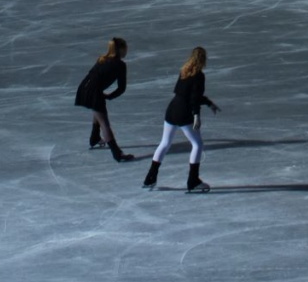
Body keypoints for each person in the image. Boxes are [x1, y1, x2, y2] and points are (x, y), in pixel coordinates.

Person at [142, 47, 218, 193]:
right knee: (197, 144)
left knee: (165, 143)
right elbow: (194, 99)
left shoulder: (184, 71)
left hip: (172, 109)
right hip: (184, 113)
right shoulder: (199, 76)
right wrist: (197, 115)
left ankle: (150, 178)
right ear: (203, 60)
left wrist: (209, 103)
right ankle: (193, 180)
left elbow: (186, 94)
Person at [74, 37, 135, 159]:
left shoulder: (102, 59)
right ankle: (117, 154)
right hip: (94, 92)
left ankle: (95, 137)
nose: (127, 51)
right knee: (104, 123)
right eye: (125, 48)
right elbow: (121, 88)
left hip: (83, 88)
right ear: (120, 49)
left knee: (98, 110)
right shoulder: (120, 65)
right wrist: (110, 96)